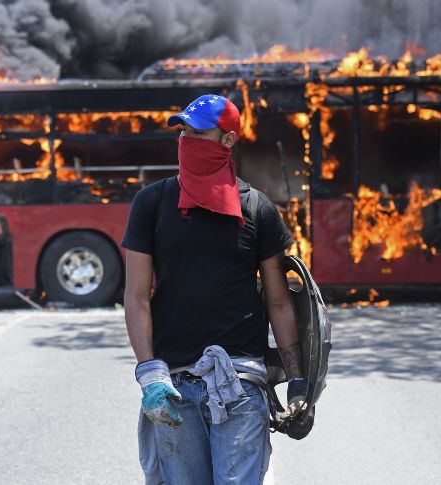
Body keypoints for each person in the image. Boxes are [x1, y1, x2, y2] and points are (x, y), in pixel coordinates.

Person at [121, 94, 308, 485]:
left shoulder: (258, 210)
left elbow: (279, 302)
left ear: (228, 140)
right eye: (182, 131)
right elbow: (136, 296)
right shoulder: (151, 203)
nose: (186, 139)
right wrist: (150, 373)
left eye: (197, 132)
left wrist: (298, 380)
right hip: (172, 385)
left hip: (240, 381)